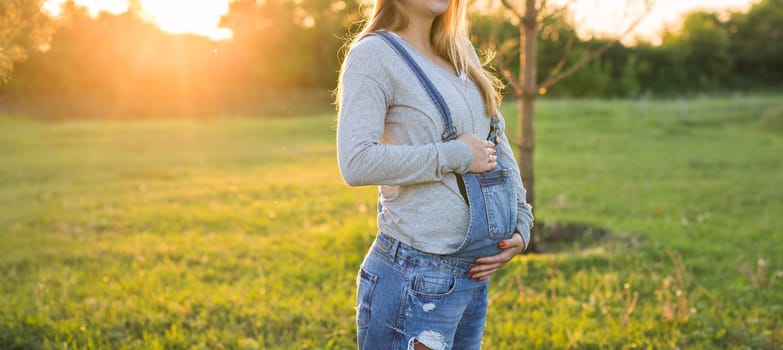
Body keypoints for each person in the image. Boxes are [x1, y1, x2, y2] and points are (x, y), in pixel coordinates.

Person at [334, 0, 534, 347]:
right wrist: (456, 154)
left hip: (472, 276)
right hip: (414, 275)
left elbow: (496, 140)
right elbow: (356, 161)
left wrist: (523, 222)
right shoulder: (374, 55)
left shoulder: (460, 51)